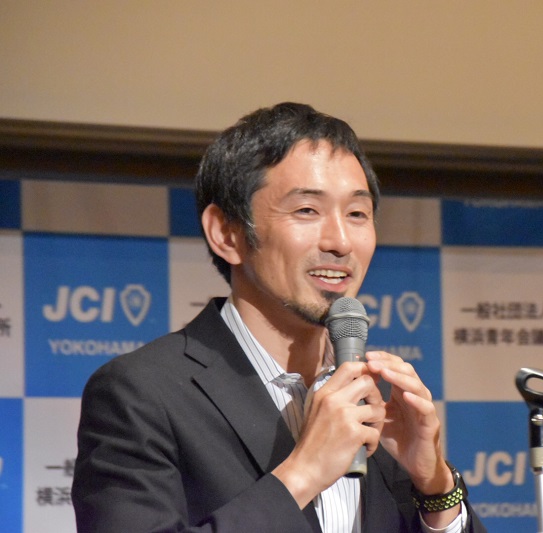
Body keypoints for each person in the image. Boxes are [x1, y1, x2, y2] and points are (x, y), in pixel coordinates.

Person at [72, 102, 487, 533]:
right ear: (227, 233)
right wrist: (302, 474)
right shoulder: (140, 393)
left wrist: (435, 486)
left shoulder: (377, 403)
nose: (341, 242)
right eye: (307, 210)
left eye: (357, 214)